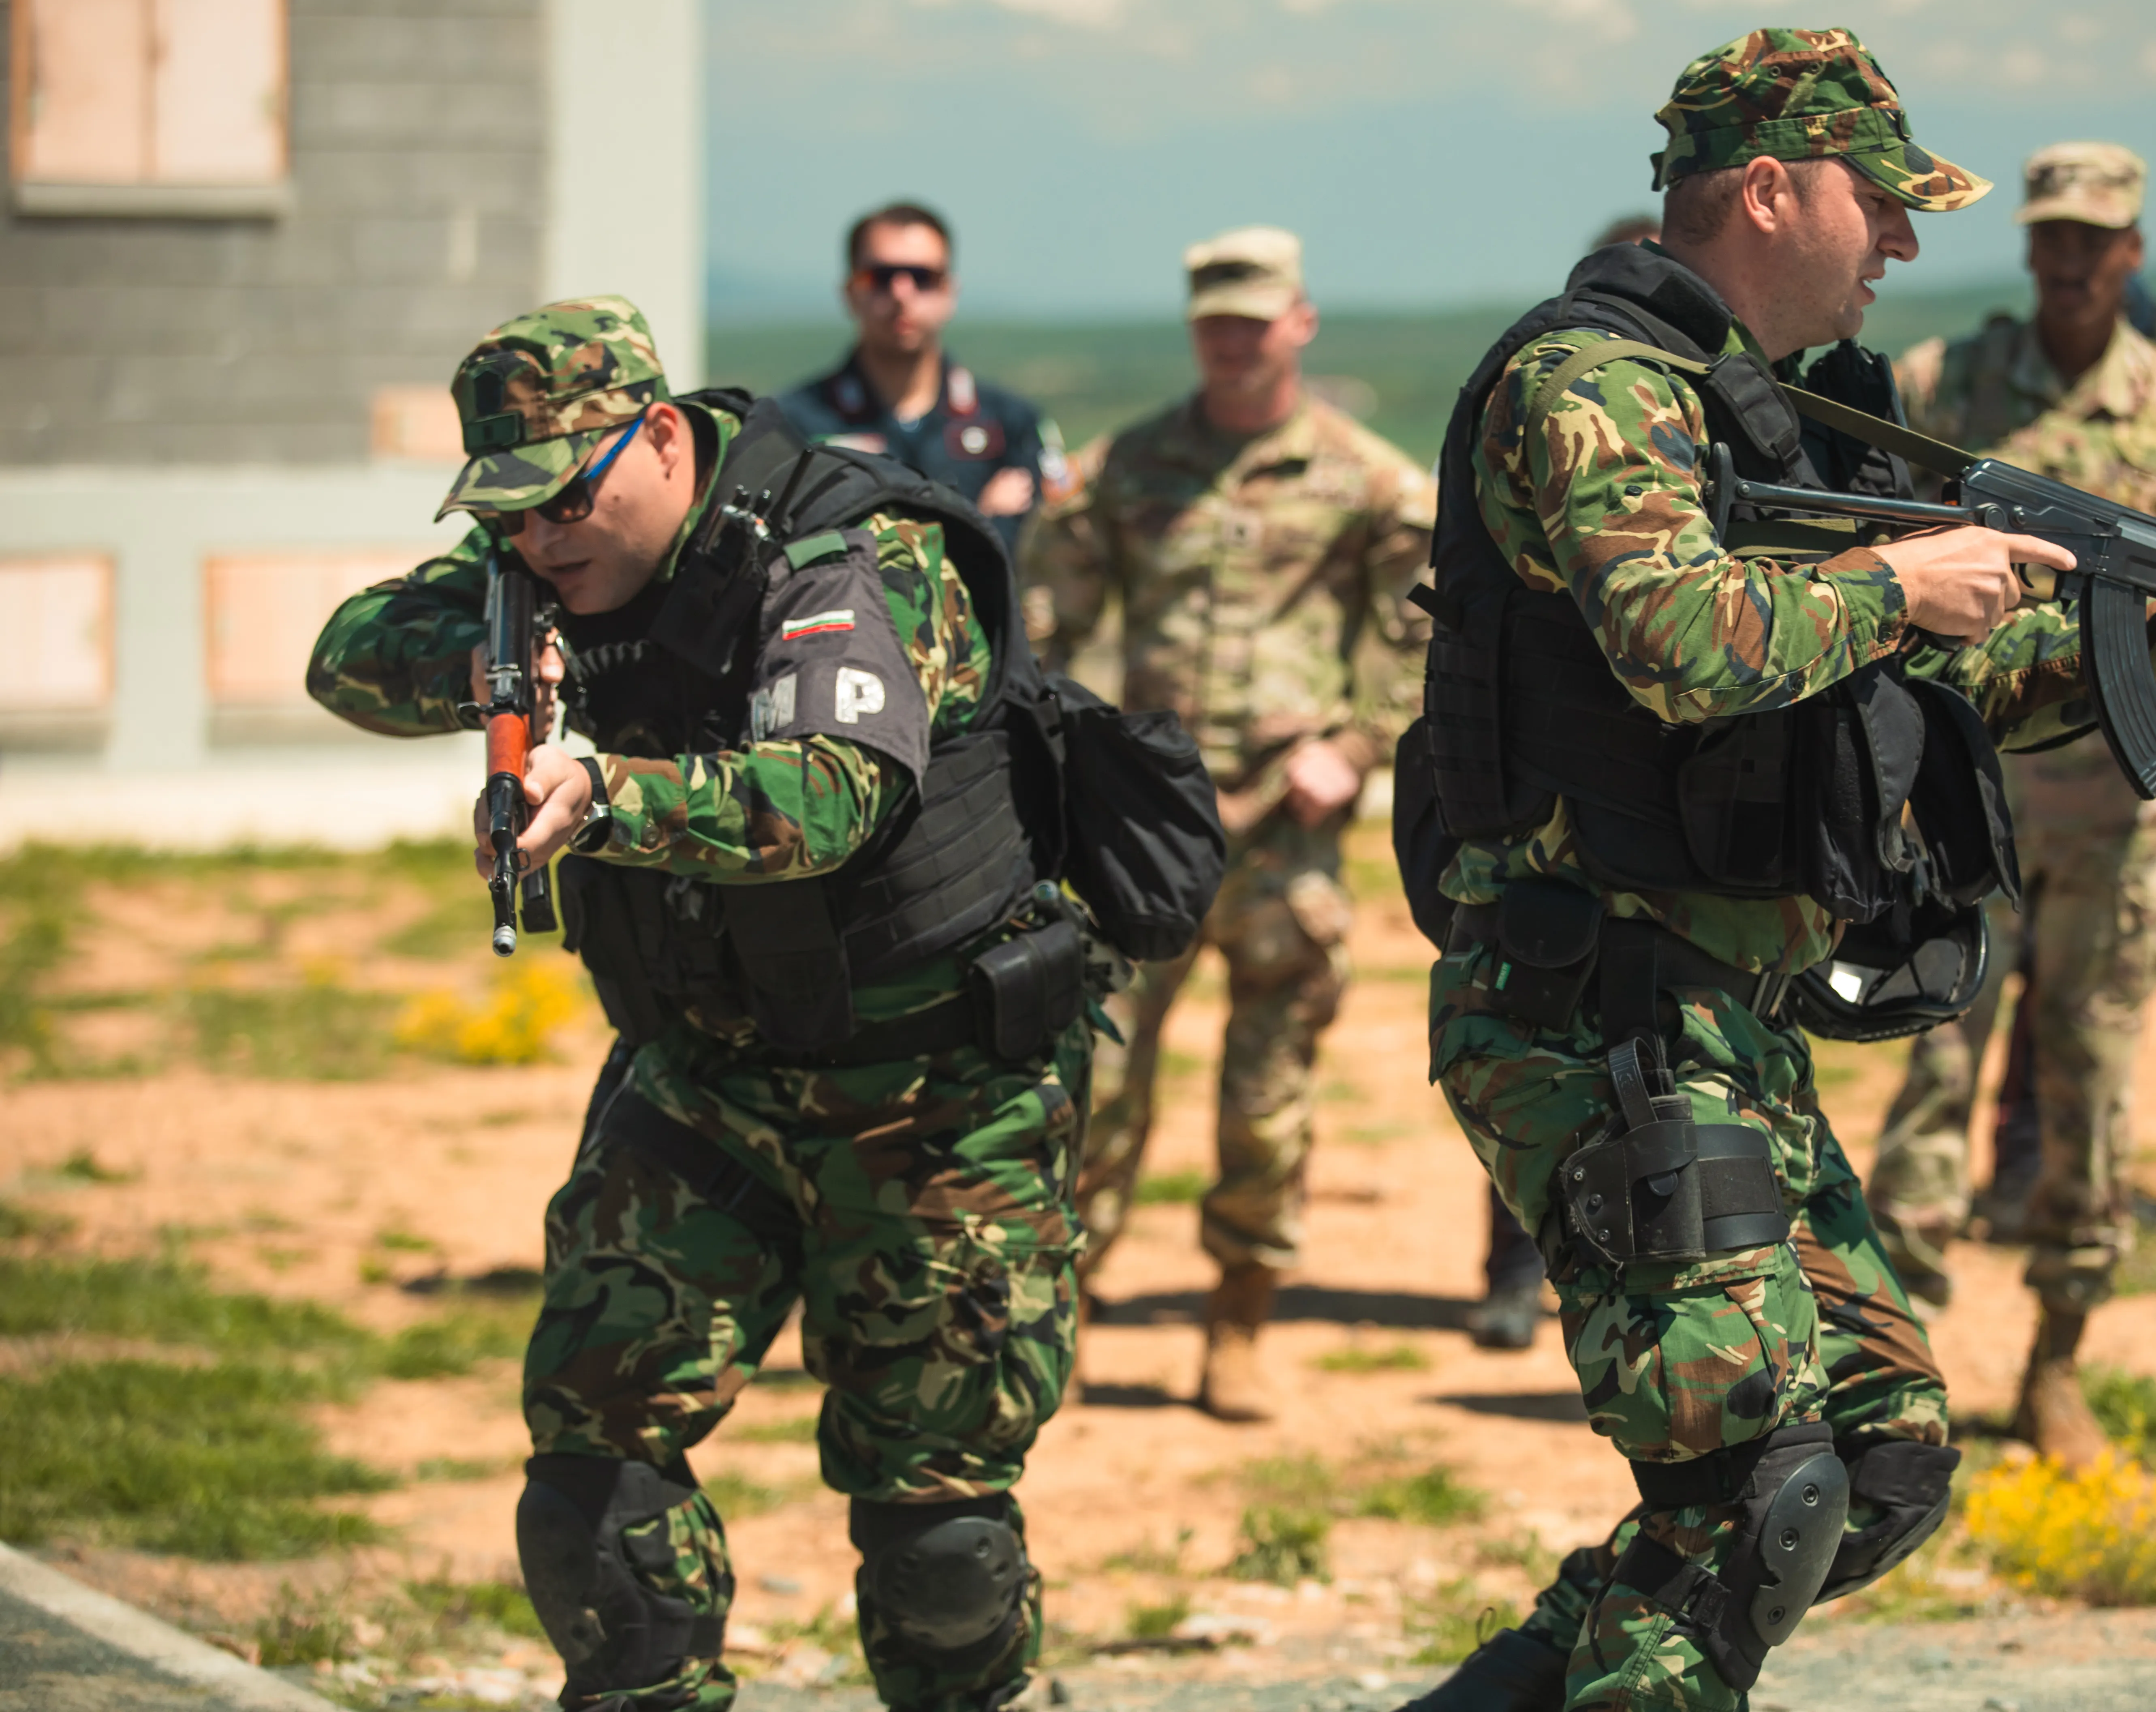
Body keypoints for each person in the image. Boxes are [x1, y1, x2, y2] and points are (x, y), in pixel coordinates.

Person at [1398, 29, 2156, 1712]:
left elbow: (1928, 697)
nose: (1906, 244)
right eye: (1882, 204)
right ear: (1770, 191)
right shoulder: (1591, 386)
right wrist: (1908, 584)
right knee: (1754, 1494)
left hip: (1722, 1023)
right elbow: (1684, 639)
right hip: (1593, 1002)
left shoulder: (1785, 419)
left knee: (1880, 1458)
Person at [309, 298, 1103, 1712]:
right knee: (589, 1472)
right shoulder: (541, 574)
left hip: (933, 1093)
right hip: (705, 1079)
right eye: (511, 516)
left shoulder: (853, 556)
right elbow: (345, 651)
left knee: (940, 1533)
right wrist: (490, 666)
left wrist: (604, 793)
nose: (543, 540)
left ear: (661, 440)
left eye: (568, 501)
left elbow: (829, 799)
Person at [1863, 142, 2156, 1464]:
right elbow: (1863, 519)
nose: (2068, 259)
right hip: (1964, 795)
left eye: (2094, 238)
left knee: (2093, 1088)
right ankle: (1894, 1370)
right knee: (1932, 1069)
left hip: (2116, 804)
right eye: (2049, 235)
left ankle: (2058, 1361)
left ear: (2134, 250)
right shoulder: (1946, 381)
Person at [1026, 226, 1436, 1420]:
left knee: (1268, 1087)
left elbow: (1429, 633)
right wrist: (1067, 742)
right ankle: (1074, 1311)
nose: (1233, 337)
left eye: (1254, 317)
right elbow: (1048, 616)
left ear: (1300, 321)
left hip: (1282, 824)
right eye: (1213, 316)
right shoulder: (1127, 466)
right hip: (1142, 826)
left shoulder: (1366, 478)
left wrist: (1354, 744)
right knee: (1093, 1075)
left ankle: (1240, 1317)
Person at [1468, 208, 1667, 1355]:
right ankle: (1517, 1273)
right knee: (1542, 1069)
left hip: (1670, 852)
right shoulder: (1573, 406)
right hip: (1558, 839)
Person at [778, 200, 1069, 560]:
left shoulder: (1012, 425)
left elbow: (1040, 562)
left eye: (923, 278)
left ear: (950, 292)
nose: (902, 294)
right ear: (851, 292)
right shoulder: (793, 428)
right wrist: (978, 519)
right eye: (881, 278)